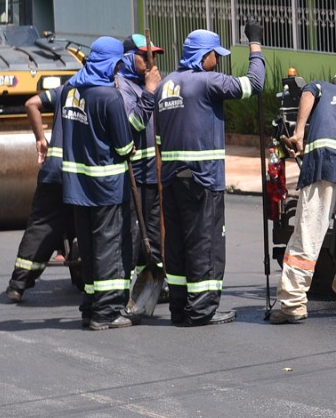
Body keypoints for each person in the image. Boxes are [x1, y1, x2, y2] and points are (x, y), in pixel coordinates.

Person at [154, 24, 265, 327]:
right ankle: (203, 311)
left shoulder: (165, 85)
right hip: (202, 179)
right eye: (216, 54)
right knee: (206, 244)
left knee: (177, 244)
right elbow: (254, 83)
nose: (218, 59)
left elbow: (160, 138)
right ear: (205, 56)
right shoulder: (206, 81)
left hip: (172, 179)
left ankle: (180, 308)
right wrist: (255, 44)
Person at [268, 68, 336, 323]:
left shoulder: (324, 87)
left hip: (324, 161)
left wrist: (300, 133)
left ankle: (293, 305)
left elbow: (306, 93)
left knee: (309, 233)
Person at [60, 36, 140, 330]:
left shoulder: (70, 90)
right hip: (106, 186)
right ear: (110, 63)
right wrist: (129, 148)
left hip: (77, 186)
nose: (118, 71)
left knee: (90, 248)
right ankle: (105, 313)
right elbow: (123, 146)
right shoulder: (109, 96)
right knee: (108, 248)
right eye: (117, 65)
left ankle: (90, 306)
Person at [5, 78, 77, 303]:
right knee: (90, 224)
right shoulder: (103, 92)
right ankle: (91, 281)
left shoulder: (65, 89)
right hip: (82, 174)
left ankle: (18, 284)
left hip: (53, 171)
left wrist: (40, 139)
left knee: (42, 226)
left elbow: (31, 104)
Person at [115, 33, 165, 299]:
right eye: (144, 55)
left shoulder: (147, 85)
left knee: (155, 235)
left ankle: (155, 285)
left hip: (152, 173)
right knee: (133, 236)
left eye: (153, 55)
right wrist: (149, 91)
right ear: (127, 57)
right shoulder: (121, 87)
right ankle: (123, 292)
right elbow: (133, 124)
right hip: (132, 174)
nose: (150, 60)